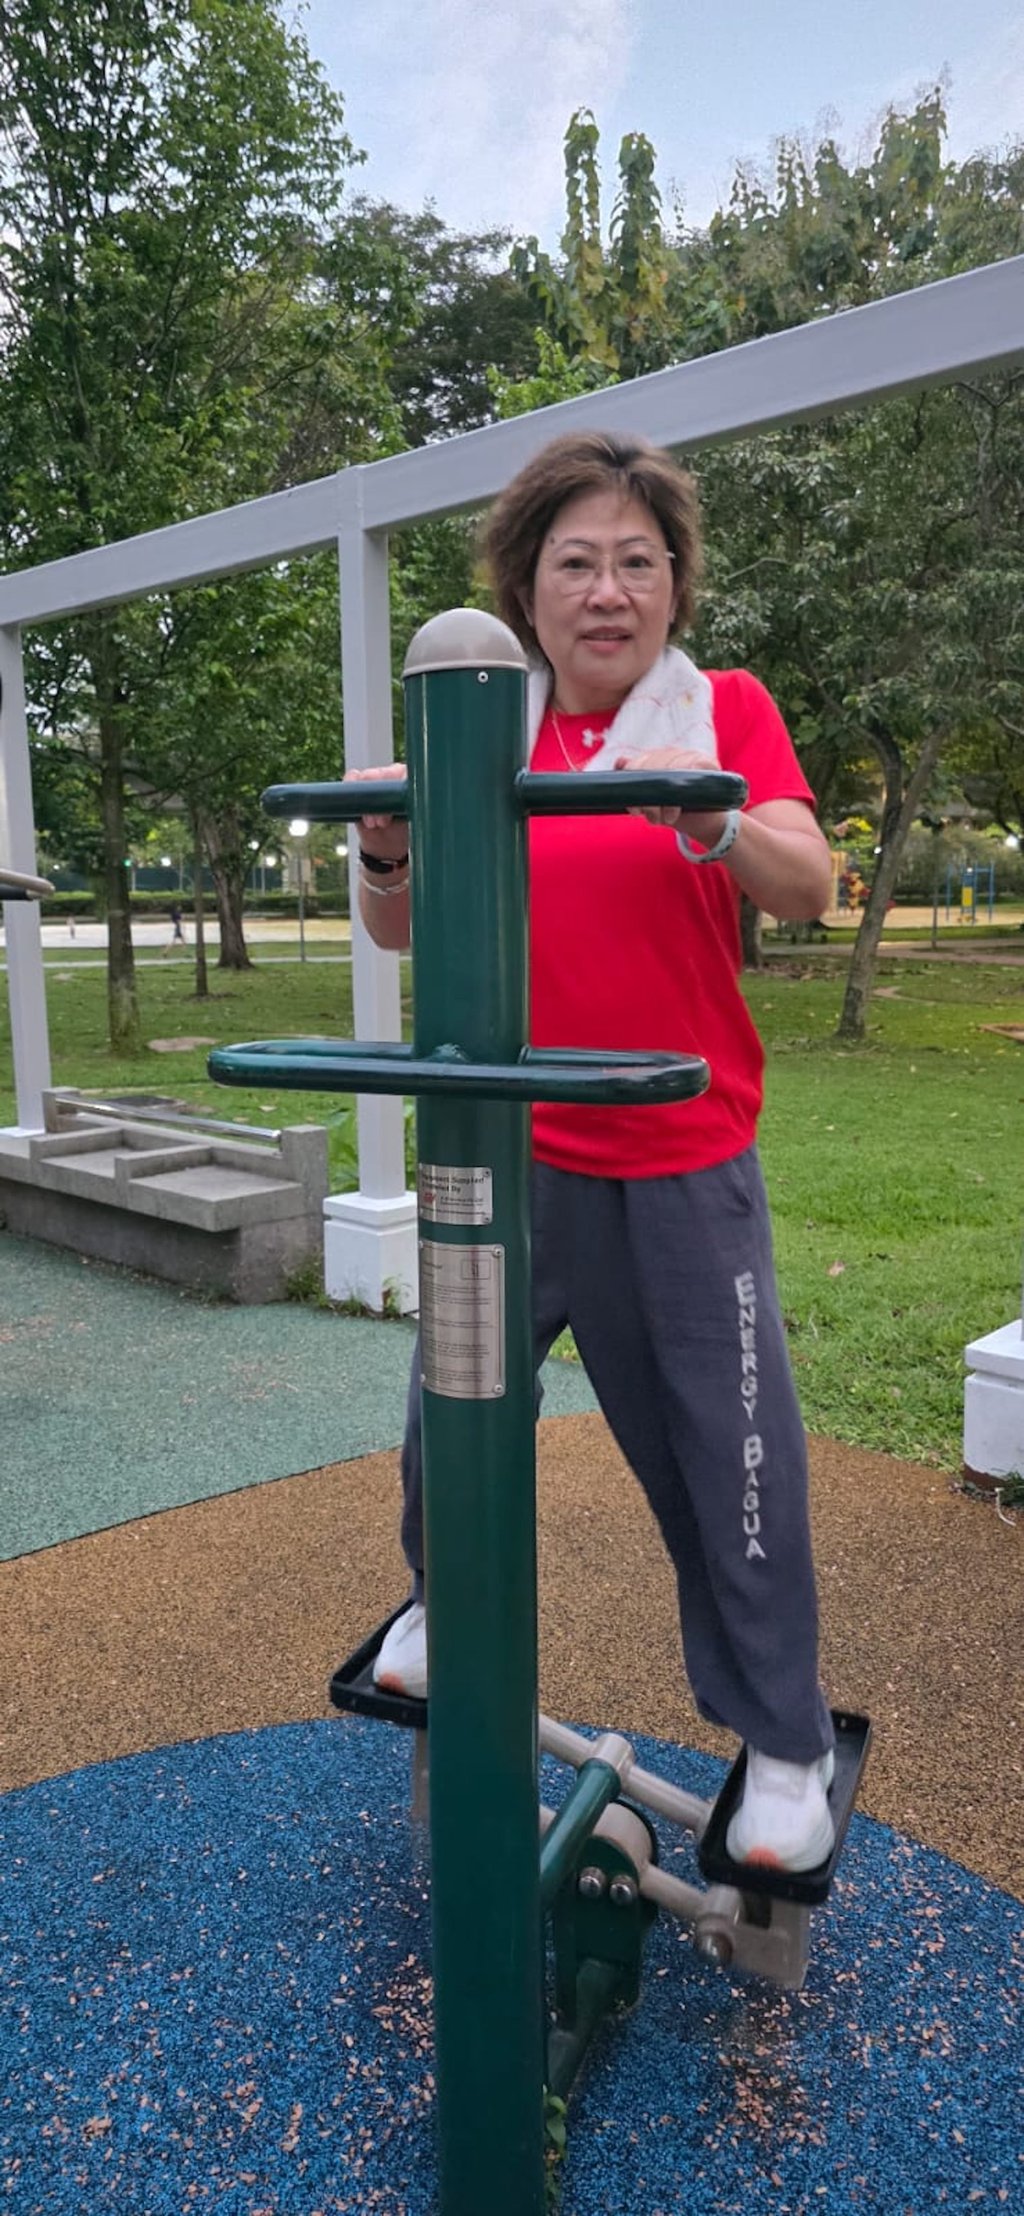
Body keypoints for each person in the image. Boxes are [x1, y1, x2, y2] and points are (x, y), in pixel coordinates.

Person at [351, 430, 837, 1874]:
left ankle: (785, 1742)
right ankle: (445, 1611)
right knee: (457, 1408)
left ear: (675, 585)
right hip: (507, 1151)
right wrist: (387, 843)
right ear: (528, 586)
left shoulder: (721, 712)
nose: (608, 589)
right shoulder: (486, 731)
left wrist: (715, 813)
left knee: (728, 1453)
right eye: (577, 562)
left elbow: (808, 882)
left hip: (677, 1154)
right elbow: (399, 924)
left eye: (637, 561)